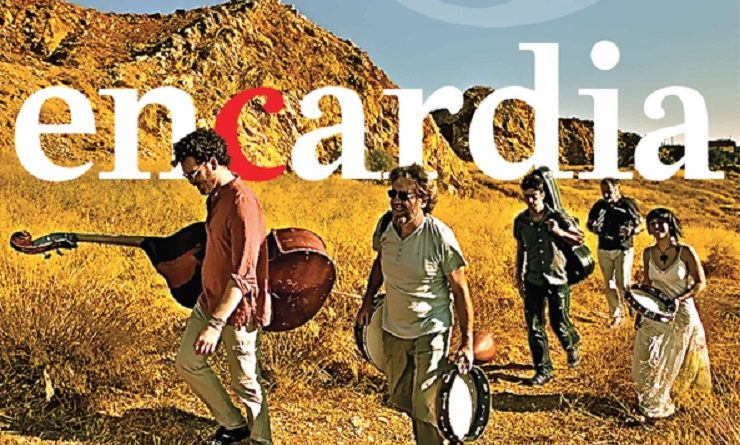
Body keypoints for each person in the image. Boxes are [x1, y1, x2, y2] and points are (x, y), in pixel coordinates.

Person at [356, 164, 474, 445]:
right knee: (400, 396)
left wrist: (467, 341)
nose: (395, 201)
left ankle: (437, 434)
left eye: (404, 195)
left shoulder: (439, 236)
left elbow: (460, 290)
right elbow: (380, 262)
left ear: (423, 198)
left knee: (423, 402)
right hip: (394, 327)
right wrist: (367, 301)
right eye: (393, 194)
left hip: (431, 327)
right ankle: (442, 426)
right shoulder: (385, 226)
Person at [172, 128, 272, 445]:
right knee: (188, 362)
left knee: (246, 382)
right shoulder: (216, 197)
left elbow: (244, 275)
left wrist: (215, 325)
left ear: (213, 162)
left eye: (194, 174)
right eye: (187, 175)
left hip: (237, 311)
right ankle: (233, 424)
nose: (192, 181)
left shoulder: (243, 203)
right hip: (209, 301)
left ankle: (261, 440)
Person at [632, 208, 711, 419]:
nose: (656, 227)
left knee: (672, 359)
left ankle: (658, 405)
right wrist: (640, 310)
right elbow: (648, 284)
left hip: (681, 312)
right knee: (645, 354)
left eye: (661, 222)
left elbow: (700, 283)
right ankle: (648, 399)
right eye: (652, 223)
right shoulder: (648, 253)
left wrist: (680, 298)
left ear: (670, 225)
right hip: (655, 311)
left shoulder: (685, 252)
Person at [513, 174, 584, 386]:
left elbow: (579, 239)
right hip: (533, 279)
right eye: (526, 196)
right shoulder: (521, 221)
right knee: (535, 327)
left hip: (557, 279)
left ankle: (571, 343)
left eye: (534, 196)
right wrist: (519, 277)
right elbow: (520, 251)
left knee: (559, 323)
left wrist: (559, 232)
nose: (530, 200)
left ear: (543, 194)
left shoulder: (558, 217)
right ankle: (543, 369)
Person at [586, 178, 643, 328]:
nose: (606, 195)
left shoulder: (628, 204)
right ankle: (616, 316)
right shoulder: (599, 205)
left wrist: (631, 231)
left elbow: (640, 225)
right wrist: (593, 228)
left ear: (617, 188)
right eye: (603, 191)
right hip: (604, 248)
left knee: (623, 283)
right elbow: (589, 223)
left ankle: (633, 310)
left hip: (623, 248)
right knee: (609, 283)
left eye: (609, 191)